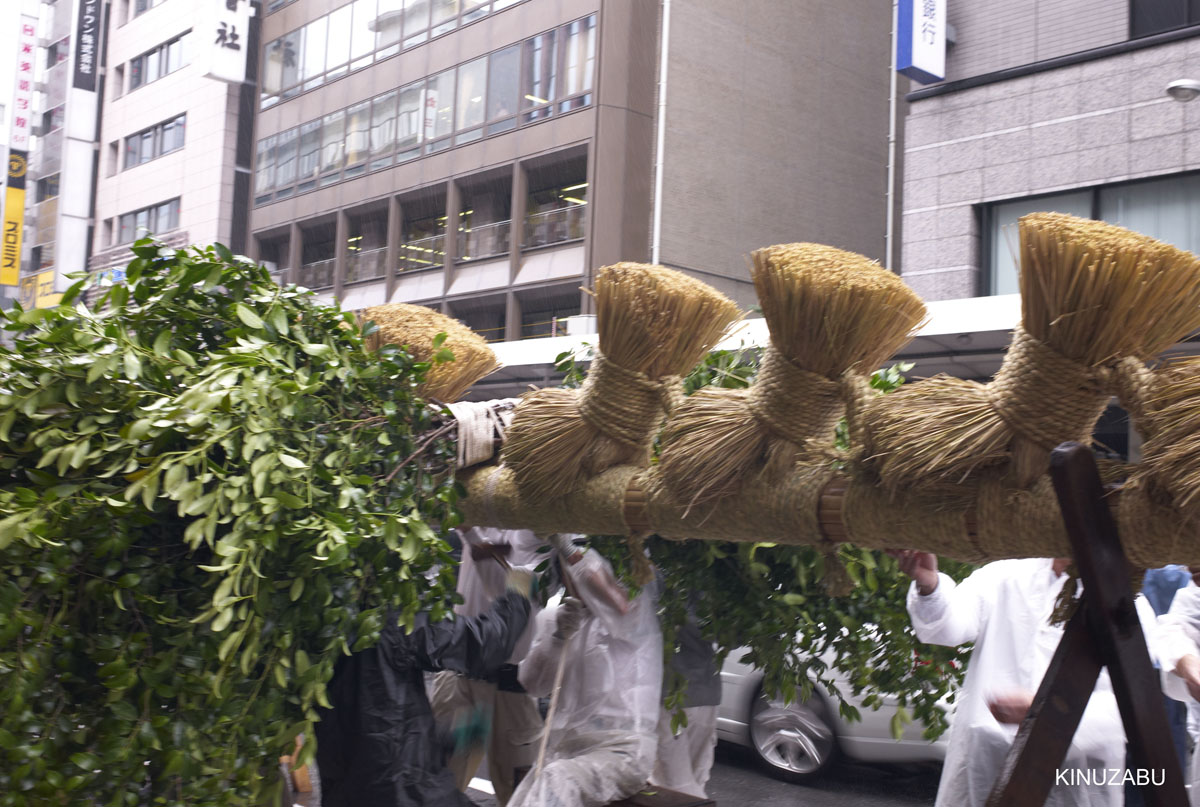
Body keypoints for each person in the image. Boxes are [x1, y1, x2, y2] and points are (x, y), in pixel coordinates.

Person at [894, 552, 1130, 807]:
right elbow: (946, 627)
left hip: (1072, 785)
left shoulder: (1125, 601)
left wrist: (1046, 710)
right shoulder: (1004, 576)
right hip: (984, 769)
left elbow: (1128, 709)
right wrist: (929, 586)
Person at [314, 566, 536, 807]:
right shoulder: (392, 621)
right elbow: (484, 643)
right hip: (410, 793)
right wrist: (516, 596)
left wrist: (442, 738)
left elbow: (367, 729)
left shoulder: (313, 632)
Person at [509, 546, 663, 807]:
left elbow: (613, 600)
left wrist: (568, 544)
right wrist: (556, 638)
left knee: (557, 781)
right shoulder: (558, 616)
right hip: (566, 749)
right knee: (528, 794)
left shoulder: (635, 615)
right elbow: (532, 684)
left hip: (622, 752)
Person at [430, 527, 546, 805]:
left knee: (519, 792)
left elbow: (506, 592)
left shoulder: (542, 532)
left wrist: (473, 538)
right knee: (436, 780)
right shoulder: (479, 509)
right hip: (460, 678)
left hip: (510, 687)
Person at [649, 605, 721, 799]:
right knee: (688, 783)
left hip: (673, 694)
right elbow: (733, 635)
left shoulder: (654, 580)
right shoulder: (717, 581)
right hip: (704, 690)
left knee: (675, 786)